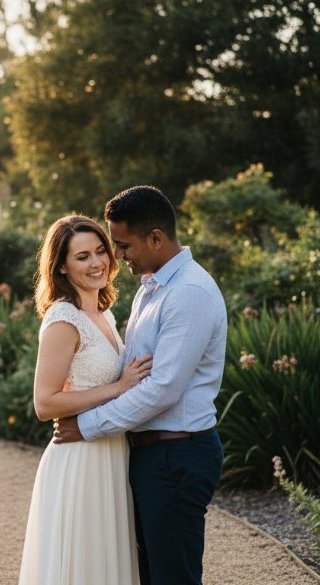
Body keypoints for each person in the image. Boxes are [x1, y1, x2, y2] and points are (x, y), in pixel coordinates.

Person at [54, 186, 227, 585]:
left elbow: (162, 390)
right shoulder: (152, 289)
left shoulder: (189, 293)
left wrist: (87, 425)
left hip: (177, 455)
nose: (117, 257)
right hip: (152, 454)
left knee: (173, 578)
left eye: (123, 245)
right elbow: (130, 374)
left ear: (155, 238)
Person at [18, 214, 152, 585]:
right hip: (79, 459)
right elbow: (45, 404)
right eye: (82, 257)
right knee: (84, 565)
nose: (97, 263)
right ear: (61, 265)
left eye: (100, 252)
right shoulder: (64, 319)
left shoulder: (103, 314)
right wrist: (118, 387)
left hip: (112, 453)